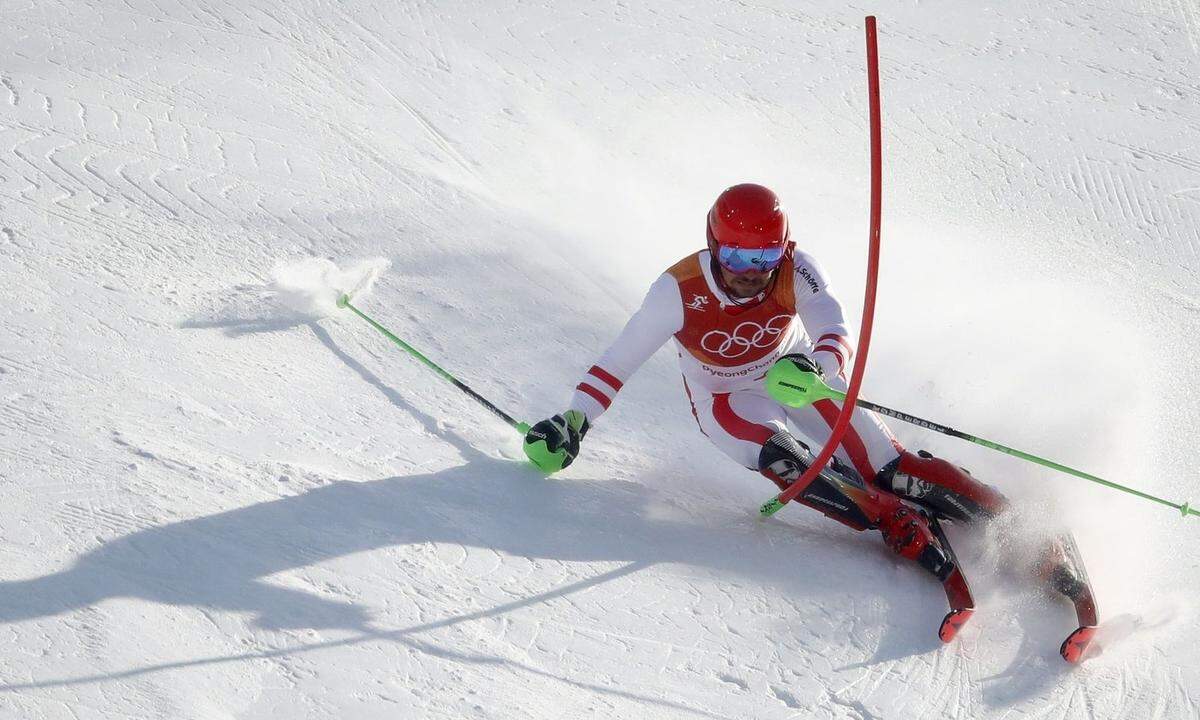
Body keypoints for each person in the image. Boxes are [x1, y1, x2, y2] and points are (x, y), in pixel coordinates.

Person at [523, 183, 1009, 581]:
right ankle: (889, 519)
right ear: (715, 245)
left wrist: (818, 367)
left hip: (794, 375)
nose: (752, 273)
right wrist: (575, 420)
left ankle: (1003, 515)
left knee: (889, 466)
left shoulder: (796, 270)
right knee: (785, 459)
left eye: (766, 255)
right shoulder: (676, 290)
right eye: (736, 256)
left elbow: (834, 328)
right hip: (725, 400)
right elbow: (617, 362)